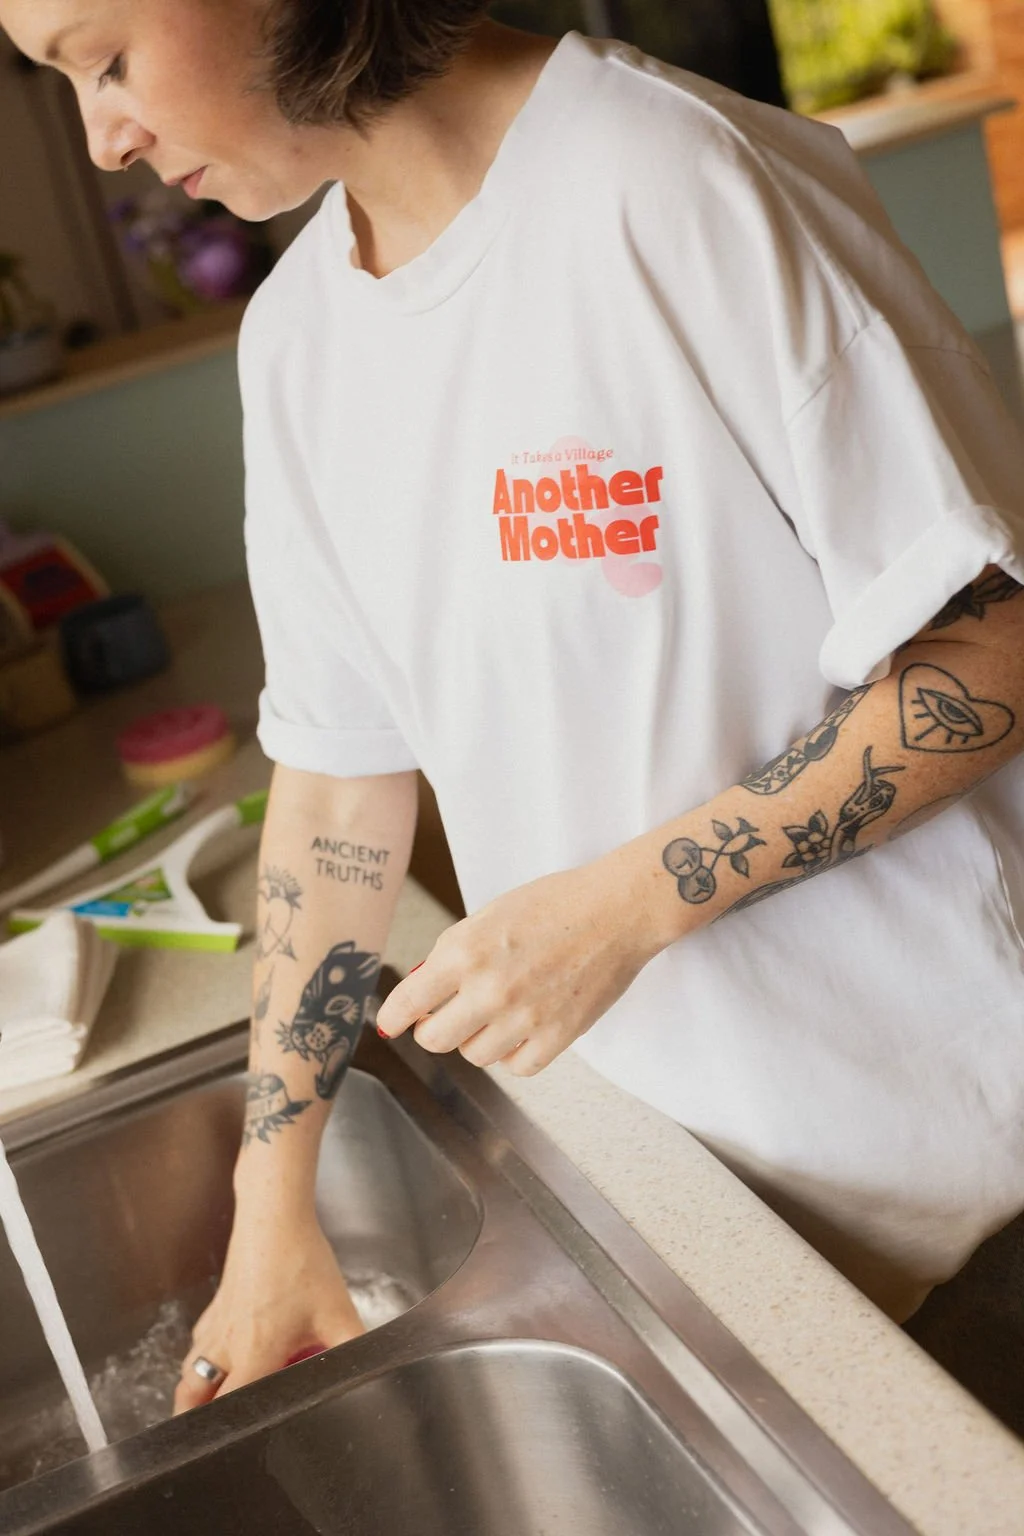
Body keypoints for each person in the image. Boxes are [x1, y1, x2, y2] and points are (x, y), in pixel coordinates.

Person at [6, 0, 1024, 1412]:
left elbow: (991, 660)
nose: (104, 136)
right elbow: (338, 781)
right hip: (684, 1203)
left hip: (967, 1207)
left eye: (105, 62)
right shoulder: (299, 342)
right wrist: (269, 1208)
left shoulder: (675, 180)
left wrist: (626, 907)